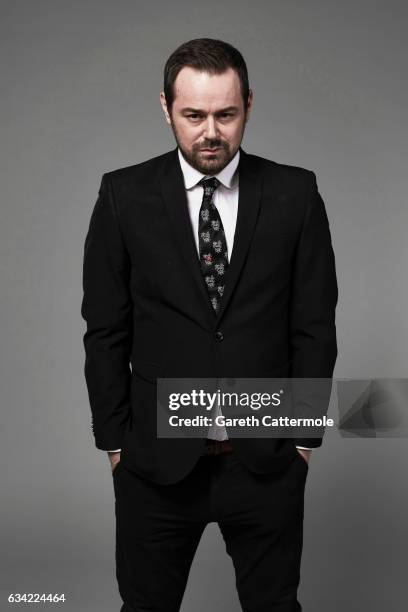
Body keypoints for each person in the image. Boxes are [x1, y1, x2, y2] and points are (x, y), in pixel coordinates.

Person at [81, 37, 338, 612]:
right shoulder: (123, 195)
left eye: (226, 114)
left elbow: (314, 326)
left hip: (266, 461)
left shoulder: (296, 193)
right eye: (193, 115)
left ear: (248, 104)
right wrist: (116, 444)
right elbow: (104, 330)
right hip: (154, 464)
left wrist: (302, 440)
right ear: (166, 109)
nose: (210, 132)